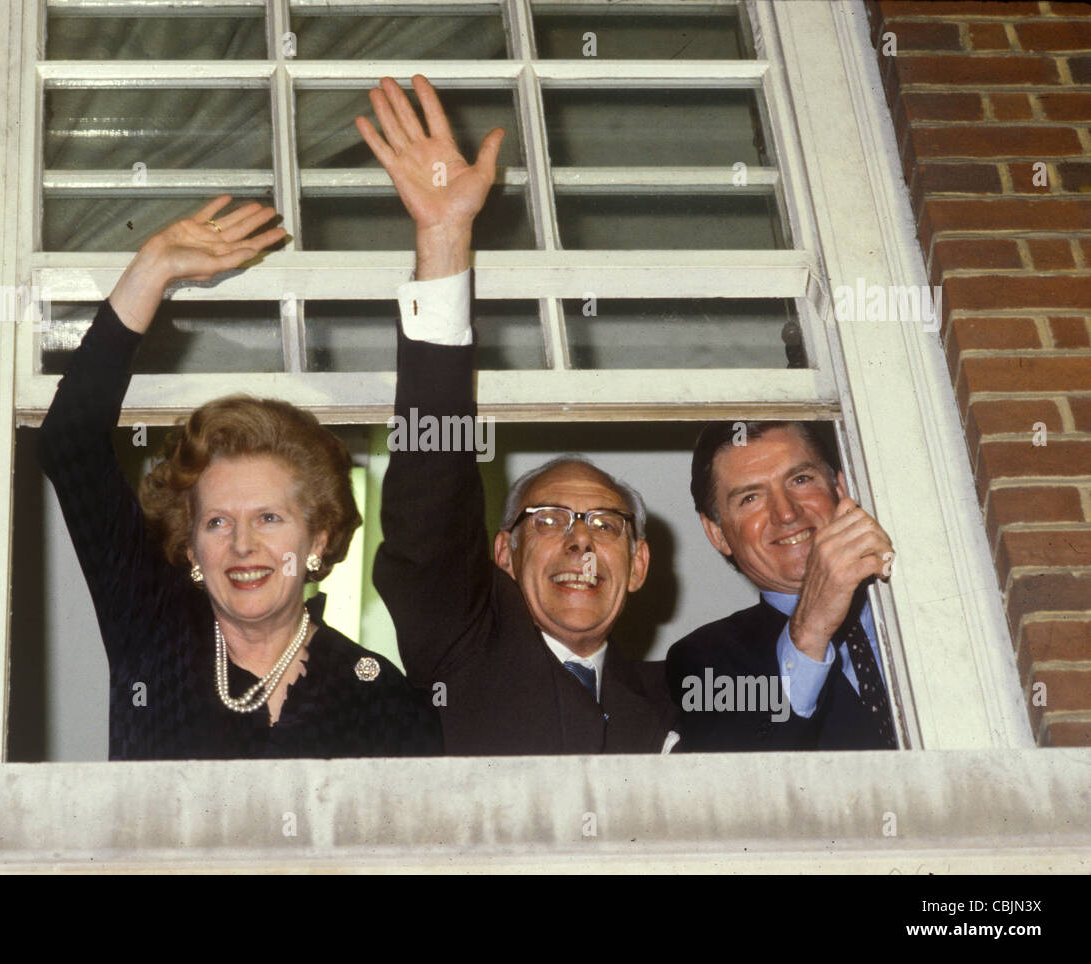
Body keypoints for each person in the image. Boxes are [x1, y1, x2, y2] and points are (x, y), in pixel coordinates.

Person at [38, 197, 441, 760]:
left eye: (269, 518)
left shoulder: (379, 693)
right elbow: (70, 441)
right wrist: (153, 268)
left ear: (318, 538)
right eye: (217, 522)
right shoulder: (154, 629)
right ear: (191, 545)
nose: (243, 545)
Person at [360, 75, 678, 755]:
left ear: (639, 563)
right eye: (549, 520)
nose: (580, 542)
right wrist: (445, 240)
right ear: (504, 553)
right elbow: (431, 503)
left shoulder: (675, 699)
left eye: (606, 525)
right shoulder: (460, 646)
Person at [666, 421, 898, 751]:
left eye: (800, 479)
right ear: (717, 533)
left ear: (840, 488)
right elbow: (743, 775)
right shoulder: (704, 660)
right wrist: (811, 628)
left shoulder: (919, 593)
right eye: (750, 498)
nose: (786, 513)